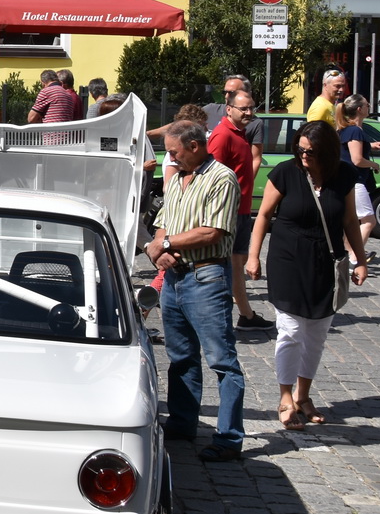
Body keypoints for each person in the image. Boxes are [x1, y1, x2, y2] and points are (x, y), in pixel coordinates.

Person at [246, 119, 367, 430]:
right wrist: (253, 256)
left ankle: (304, 395)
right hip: (288, 259)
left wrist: (360, 260)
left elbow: (351, 220)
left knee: (316, 333)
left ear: (325, 152)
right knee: (290, 330)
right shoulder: (286, 172)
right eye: (299, 150)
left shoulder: (343, 176)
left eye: (310, 152)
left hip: (326, 262)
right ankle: (285, 396)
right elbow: (263, 215)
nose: (303, 156)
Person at [144, 119, 245, 460]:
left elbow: (212, 232)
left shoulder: (221, 179)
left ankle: (229, 437)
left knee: (222, 361)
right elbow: (161, 226)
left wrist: (168, 243)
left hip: (206, 277)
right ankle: (183, 421)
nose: (169, 158)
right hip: (175, 280)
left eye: (174, 152)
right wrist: (158, 250)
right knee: (181, 357)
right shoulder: (177, 181)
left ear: (194, 146)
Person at [208, 92, 269, 332]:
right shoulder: (222, 136)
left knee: (237, 263)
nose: (249, 113)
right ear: (229, 109)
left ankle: (245, 314)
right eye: (243, 109)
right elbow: (212, 178)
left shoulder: (241, 133)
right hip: (229, 212)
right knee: (231, 266)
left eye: (251, 108)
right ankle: (241, 315)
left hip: (241, 210)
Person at [335, 94, 380, 267]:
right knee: (369, 221)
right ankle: (355, 257)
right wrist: (374, 164)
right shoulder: (355, 130)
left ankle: (348, 255)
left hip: (347, 181)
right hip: (355, 182)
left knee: (352, 222)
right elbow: (356, 159)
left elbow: (350, 151)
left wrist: (371, 145)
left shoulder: (345, 129)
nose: (369, 106)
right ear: (359, 109)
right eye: (366, 104)